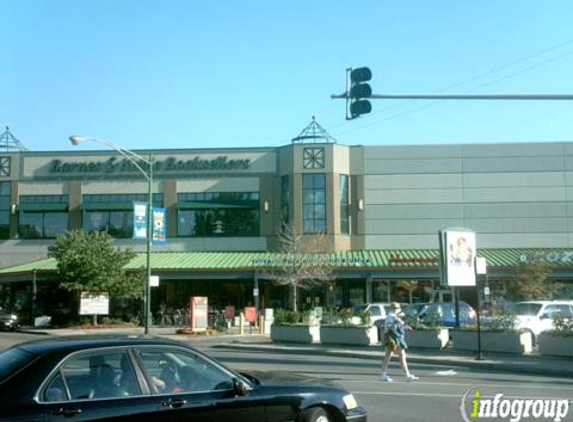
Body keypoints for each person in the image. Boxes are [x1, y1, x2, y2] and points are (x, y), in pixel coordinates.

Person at [381, 302, 419, 382]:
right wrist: (394, 337)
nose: (397, 309)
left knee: (388, 356)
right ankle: (407, 375)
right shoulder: (391, 317)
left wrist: (406, 327)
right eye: (396, 308)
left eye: (397, 307)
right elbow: (389, 327)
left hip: (392, 338)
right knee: (402, 355)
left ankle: (384, 375)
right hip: (395, 339)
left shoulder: (394, 317)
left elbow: (396, 326)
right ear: (392, 309)